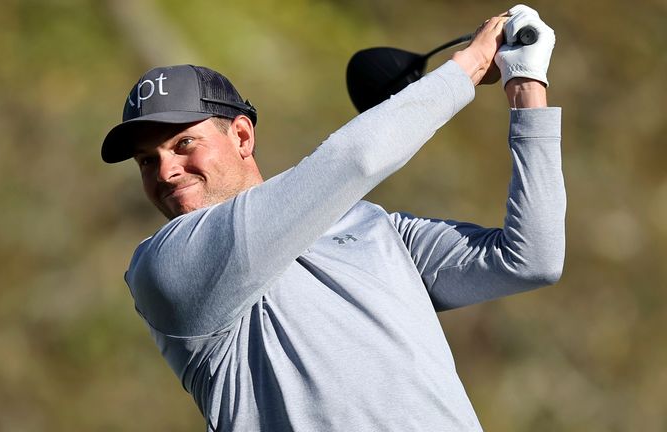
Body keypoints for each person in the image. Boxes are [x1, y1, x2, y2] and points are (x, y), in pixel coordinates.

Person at [101, 5, 564, 431]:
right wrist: (467, 67)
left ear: (242, 136)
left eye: (183, 144)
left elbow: (530, 258)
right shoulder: (164, 266)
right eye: (146, 160)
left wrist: (525, 86)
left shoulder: (372, 226)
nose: (165, 171)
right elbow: (354, 160)